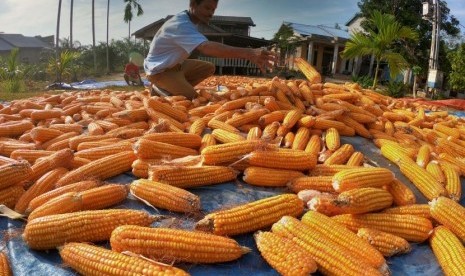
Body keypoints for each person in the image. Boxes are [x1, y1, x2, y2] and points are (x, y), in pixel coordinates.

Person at [144, 0, 276, 99]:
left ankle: (173, 87)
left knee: (209, 67)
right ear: (193, 4)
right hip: (159, 71)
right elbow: (206, 47)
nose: (210, 13)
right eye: (207, 8)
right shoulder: (180, 25)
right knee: (192, 98)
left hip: (176, 66)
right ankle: (163, 87)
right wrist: (249, 53)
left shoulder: (190, 21)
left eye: (213, 10)